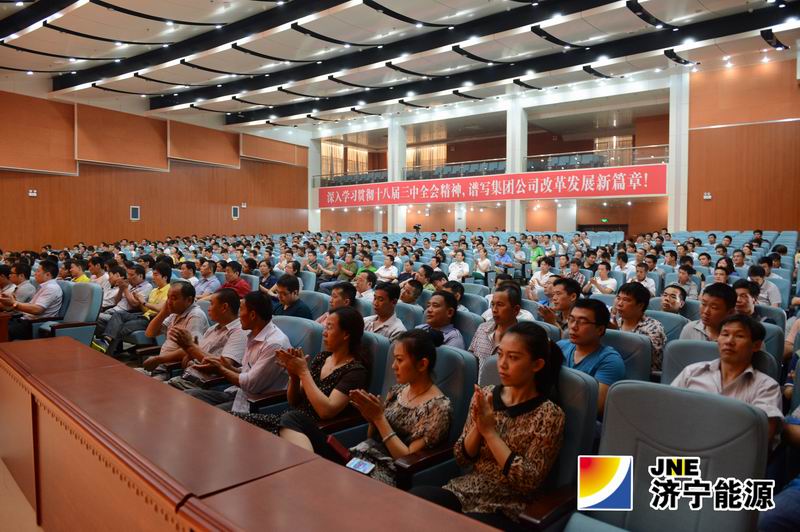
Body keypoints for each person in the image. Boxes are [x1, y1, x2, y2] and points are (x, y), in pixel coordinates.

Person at [411, 322, 565, 530]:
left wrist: (490, 433)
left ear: (537, 365)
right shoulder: (486, 395)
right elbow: (462, 458)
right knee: (416, 501)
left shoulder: (549, 414)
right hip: (467, 490)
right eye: (500, 354)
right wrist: (479, 427)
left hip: (509, 506)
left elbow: (527, 481)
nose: (502, 364)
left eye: (513, 358)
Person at [232, 306, 369, 450]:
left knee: (290, 418)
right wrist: (294, 375)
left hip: (315, 431)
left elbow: (326, 411)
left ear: (346, 334)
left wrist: (303, 372)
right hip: (288, 423)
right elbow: (294, 400)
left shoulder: (355, 371)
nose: (324, 333)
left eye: (329, 328)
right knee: (235, 419)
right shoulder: (322, 358)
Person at [345, 329, 451, 485]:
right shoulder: (397, 391)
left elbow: (406, 458)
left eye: (400, 360)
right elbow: (372, 438)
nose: (393, 366)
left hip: (391, 472)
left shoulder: (438, 408)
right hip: (365, 457)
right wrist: (371, 420)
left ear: (422, 364)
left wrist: (379, 419)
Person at [672, 315, 782, 443]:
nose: (729, 341)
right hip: (683, 447)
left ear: (756, 345)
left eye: (739, 336)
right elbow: (668, 410)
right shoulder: (692, 372)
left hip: (732, 453)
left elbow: (761, 437)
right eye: (725, 334)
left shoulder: (766, 387)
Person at [186, 291, 291, 411]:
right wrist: (228, 367)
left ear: (252, 315)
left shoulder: (274, 344)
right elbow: (248, 371)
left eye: (241, 310)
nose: (238, 315)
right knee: (189, 396)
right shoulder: (254, 335)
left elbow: (251, 384)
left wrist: (221, 369)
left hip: (256, 404)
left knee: (207, 413)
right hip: (238, 394)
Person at [166, 288, 248, 393]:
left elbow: (224, 365)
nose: (208, 309)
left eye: (211, 304)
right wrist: (190, 353)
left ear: (224, 307)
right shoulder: (212, 329)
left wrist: (190, 347)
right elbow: (190, 360)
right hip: (185, 379)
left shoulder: (239, 332)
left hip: (205, 386)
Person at [557, 299, 625, 415]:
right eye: (571, 319)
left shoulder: (610, 361)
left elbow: (595, 406)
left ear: (600, 329)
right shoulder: (560, 346)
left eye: (582, 322)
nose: (573, 326)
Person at [90, 262, 172, 355]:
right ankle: (106, 343)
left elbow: (160, 309)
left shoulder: (169, 290)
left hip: (153, 320)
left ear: (165, 277)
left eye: (156, 275)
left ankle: (106, 350)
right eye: (153, 274)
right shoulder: (154, 290)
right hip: (143, 316)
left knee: (118, 327)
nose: (153, 277)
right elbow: (145, 310)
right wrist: (139, 301)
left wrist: (143, 302)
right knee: (118, 315)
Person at [139, 281, 210, 377]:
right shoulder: (176, 313)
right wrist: (163, 312)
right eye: (168, 298)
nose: (169, 302)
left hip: (171, 370)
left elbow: (191, 349)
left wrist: (158, 359)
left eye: (174, 298)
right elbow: (150, 333)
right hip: (160, 366)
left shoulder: (195, 316)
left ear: (189, 300)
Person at [469, 282, 521, 381]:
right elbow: (471, 360)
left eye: (500, 305)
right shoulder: (482, 328)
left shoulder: (522, 339)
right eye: (492, 304)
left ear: (516, 310)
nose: (494, 310)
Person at [0, 261, 64, 341]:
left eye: (38, 271)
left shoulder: (51, 288)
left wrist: (14, 303)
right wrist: (12, 301)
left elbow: (37, 309)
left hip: (34, 324)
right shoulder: (44, 287)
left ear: (47, 274)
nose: (35, 274)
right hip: (24, 319)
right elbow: (30, 305)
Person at [610, 282, 666, 371]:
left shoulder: (653, 328)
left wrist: (617, 335)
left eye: (626, 300)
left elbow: (649, 363)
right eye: (618, 298)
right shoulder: (616, 322)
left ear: (640, 305)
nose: (619, 303)